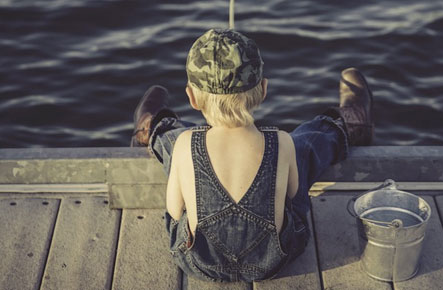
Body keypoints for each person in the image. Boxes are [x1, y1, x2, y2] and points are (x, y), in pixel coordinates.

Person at [130, 29, 373, 282]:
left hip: (200, 262)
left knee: (178, 145)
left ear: (191, 97)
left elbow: (175, 211)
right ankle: (344, 125)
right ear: (264, 89)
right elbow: (293, 195)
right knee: (299, 148)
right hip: (274, 260)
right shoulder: (282, 141)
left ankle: (156, 127)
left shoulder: (185, 143)